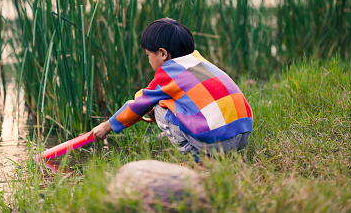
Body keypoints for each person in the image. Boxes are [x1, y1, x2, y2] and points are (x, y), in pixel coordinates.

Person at [89, 18, 253, 163]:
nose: (148, 59)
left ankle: (202, 162)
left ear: (162, 54)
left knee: (160, 109)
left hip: (219, 140)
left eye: (148, 55)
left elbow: (138, 106)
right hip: (243, 133)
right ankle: (223, 158)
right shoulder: (200, 62)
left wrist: (106, 126)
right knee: (164, 102)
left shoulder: (168, 74)